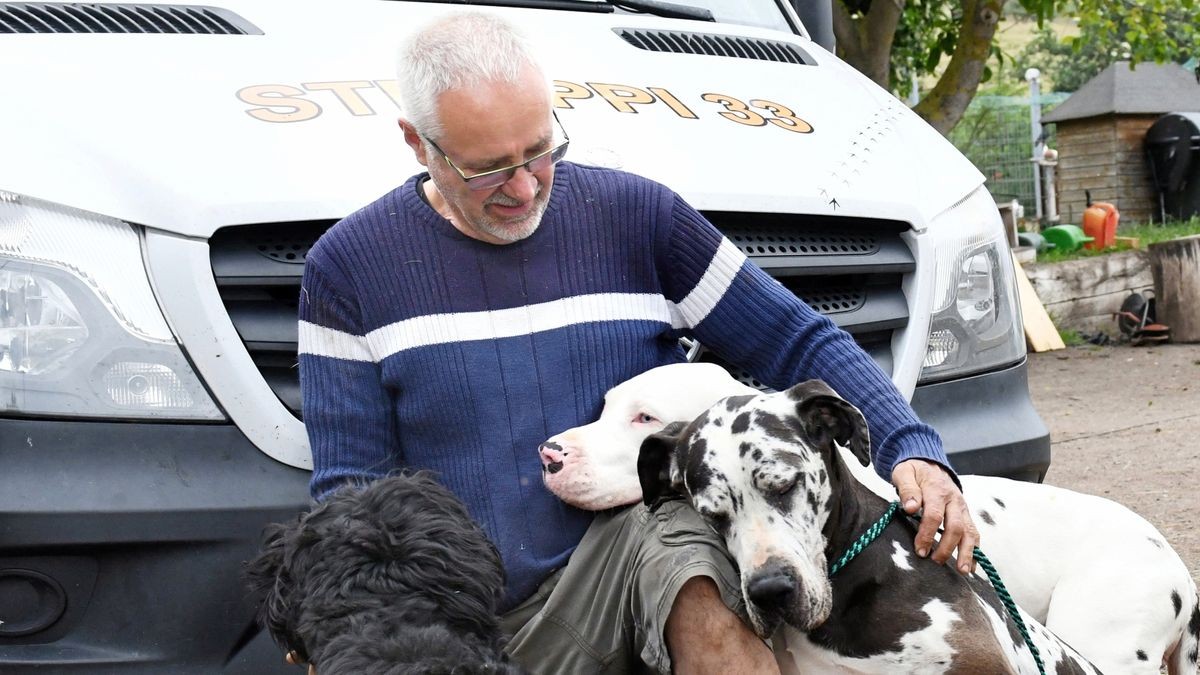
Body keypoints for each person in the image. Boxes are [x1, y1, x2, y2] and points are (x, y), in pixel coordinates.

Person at [298, 11, 979, 674]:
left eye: (539, 151)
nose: (526, 186)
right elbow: (351, 496)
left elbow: (792, 337)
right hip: (470, 612)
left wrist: (907, 443)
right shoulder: (349, 269)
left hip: (630, 557)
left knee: (688, 562)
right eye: (488, 169)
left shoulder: (636, 217)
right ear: (418, 143)